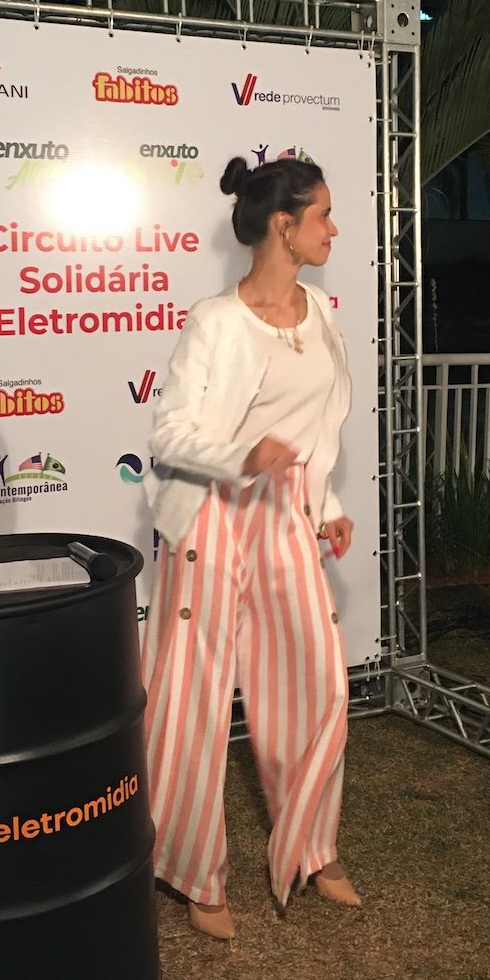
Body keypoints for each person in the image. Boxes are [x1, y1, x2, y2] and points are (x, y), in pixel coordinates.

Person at [140, 154, 358, 940]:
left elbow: (316, 429)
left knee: (317, 684)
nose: (334, 228)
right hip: (212, 515)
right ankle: (196, 874)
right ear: (283, 225)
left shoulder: (321, 311)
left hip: (285, 515)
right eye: (322, 214)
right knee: (190, 700)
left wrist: (326, 505)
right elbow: (168, 433)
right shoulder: (216, 321)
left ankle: (312, 848)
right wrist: (243, 455)